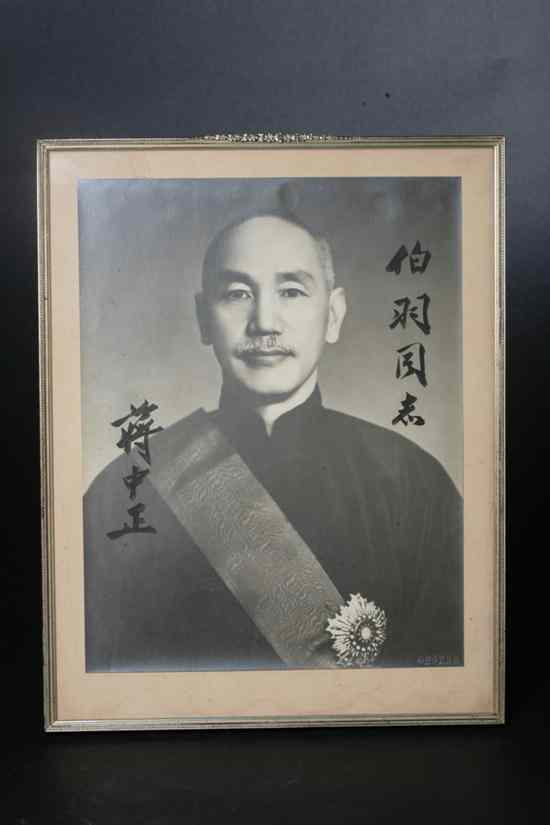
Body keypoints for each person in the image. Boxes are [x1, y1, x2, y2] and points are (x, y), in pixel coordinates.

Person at [84, 210, 463, 672]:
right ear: (204, 319)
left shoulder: (410, 483)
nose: (264, 322)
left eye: (291, 291)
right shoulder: (127, 489)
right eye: (237, 294)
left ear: (334, 314)